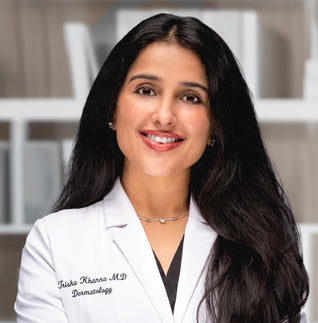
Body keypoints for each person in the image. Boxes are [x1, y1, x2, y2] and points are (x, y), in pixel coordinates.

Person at [15, 13, 309, 322]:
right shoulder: (54, 242)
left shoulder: (262, 245)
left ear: (214, 127)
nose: (165, 115)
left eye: (190, 97)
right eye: (146, 90)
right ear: (112, 109)